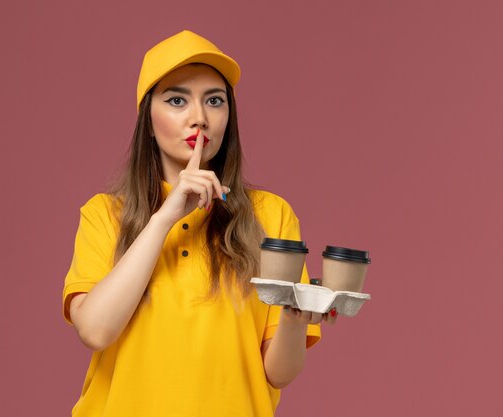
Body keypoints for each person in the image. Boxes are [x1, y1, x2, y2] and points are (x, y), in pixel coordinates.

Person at [62, 30, 337, 417]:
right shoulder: (105, 214)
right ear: (148, 117)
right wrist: (164, 219)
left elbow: (279, 373)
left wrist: (295, 312)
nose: (200, 118)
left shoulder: (271, 215)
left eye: (215, 101)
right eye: (177, 100)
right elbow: (94, 330)